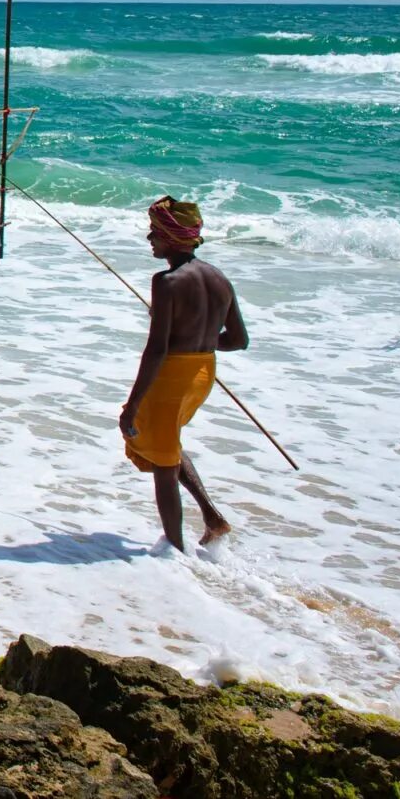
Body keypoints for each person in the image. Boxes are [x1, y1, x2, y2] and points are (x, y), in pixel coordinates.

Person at [120, 195, 246, 552]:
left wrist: (132, 404)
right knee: (167, 444)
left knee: (162, 464)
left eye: (155, 232)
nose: (150, 239)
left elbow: (157, 349)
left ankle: (175, 553)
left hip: (171, 375)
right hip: (202, 372)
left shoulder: (166, 282)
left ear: (172, 237)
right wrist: (200, 340)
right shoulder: (219, 278)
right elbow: (237, 340)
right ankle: (212, 518)